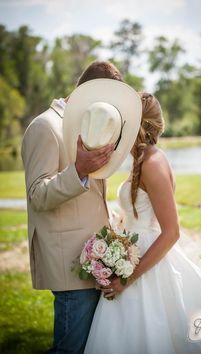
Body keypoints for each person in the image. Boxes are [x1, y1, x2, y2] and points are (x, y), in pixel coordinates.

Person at [84, 93, 201, 354]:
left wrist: (127, 278)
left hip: (147, 263)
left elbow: (171, 232)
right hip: (132, 253)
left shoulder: (152, 163)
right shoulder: (141, 162)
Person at [21, 61, 124, 353]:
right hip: (69, 264)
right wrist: (78, 169)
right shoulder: (45, 126)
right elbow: (37, 195)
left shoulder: (93, 124)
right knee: (70, 350)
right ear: (89, 91)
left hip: (96, 261)